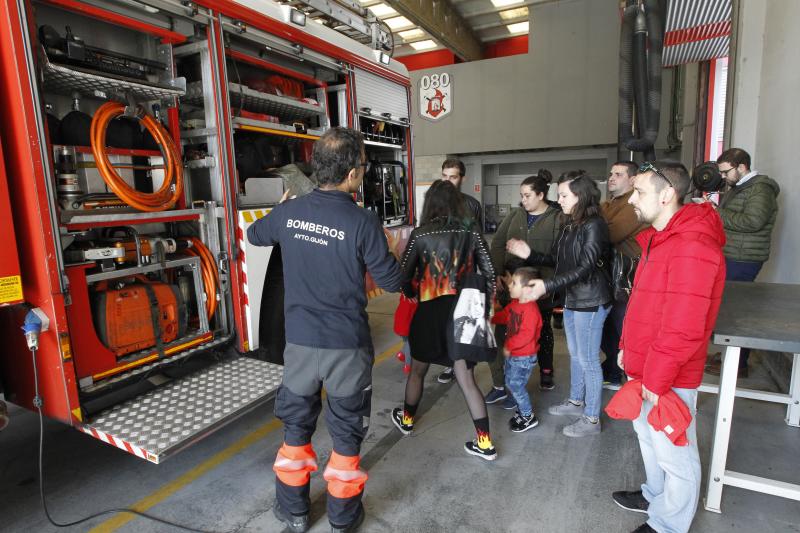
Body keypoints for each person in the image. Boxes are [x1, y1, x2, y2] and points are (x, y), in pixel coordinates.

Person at [247, 127, 402, 533]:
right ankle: (342, 517)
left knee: (296, 426)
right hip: (346, 347)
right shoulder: (363, 221)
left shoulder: (288, 212)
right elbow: (392, 280)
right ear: (352, 174)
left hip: (299, 344)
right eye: (363, 168)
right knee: (347, 429)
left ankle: (294, 512)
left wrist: (281, 209)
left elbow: (253, 234)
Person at [611, 161, 725, 533]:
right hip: (647, 364)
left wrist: (657, 379)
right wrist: (628, 347)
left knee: (675, 451)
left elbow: (684, 327)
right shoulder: (660, 238)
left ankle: (668, 524)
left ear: (666, 195)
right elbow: (646, 304)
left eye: (639, 192)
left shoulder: (692, 245)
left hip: (668, 371)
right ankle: (654, 494)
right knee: (649, 438)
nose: (631, 201)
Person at [390, 180, 498, 461]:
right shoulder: (470, 230)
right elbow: (489, 272)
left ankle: (407, 420)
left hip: (429, 309)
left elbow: (404, 275)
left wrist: (412, 292)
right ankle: (484, 443)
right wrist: (484, 309)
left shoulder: (421, 233)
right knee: (466, 378)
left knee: (417, 370)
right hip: (463, 312)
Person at [507, 171, 612, 437]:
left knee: (588, 359)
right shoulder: (569, 224)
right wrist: (529, 253)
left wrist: (547, 286)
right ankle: (577, 401)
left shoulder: (594, 225)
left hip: (591, 299)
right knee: (576, 355)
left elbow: (586, 268)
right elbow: (556, 260)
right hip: (573, 298)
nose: (560, 200)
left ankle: (591, 419)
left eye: (564, 195)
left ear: (581, 195)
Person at [485, 174, 561, 410]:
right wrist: (498, 273)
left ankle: (539, 375)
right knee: (503, 333)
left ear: (541, 195)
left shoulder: (557, 219)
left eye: (528, 195)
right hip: (511, 287)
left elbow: (561, 258)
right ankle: (501, 385)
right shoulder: (515, 215)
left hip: (540, 291)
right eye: (521, 195)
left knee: (538, 332)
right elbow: (497, 244)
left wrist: (549, 286)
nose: (524, 200)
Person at [705, 148, 779, 377]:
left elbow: (753, 221)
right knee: (730, 308)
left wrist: (717, 213)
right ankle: (732, 356)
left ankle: (739, 365)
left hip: (744, 258)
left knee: (738, 312)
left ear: (742, 167)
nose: (723, 177)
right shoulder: (740, 188)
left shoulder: (760, 189)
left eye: (726, 172)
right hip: (733, 253)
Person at [600, 161, 648, 386]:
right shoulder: (611, 204)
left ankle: (630, 375)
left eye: (618, 174)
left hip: (627, 278)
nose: (611, 177)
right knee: (609, 328)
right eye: (611, 173)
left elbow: (609, 233)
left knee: (622, 327)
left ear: (632, 179)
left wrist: (599, 224)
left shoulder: (631, 204)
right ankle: (612, 369)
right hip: (610, 276)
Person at [437, 158, 484, 385]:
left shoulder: (473, 206)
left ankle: (465, 364)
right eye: (444, 176)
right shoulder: (434, 204)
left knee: (465, 321)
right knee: (445, 321)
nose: (447, 181)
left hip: (466, 274)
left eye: (452, 176)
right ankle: (449, 364)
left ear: (462, 178)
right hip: (440, 274)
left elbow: (479, 243)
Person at [491, 266, 543, 433]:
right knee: (511, 382)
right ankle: (522, 411)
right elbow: (506, 316)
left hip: (524, 357)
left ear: (527, 289)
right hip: (514, 355)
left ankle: (528, 416)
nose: (509, 286)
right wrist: (491, 318)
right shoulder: (515, 304)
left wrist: (509, 346)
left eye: (514, 283)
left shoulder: (532, 310)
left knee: (516, 385)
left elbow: (526, 336)